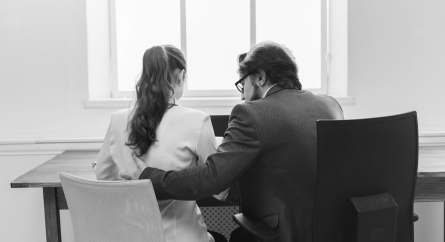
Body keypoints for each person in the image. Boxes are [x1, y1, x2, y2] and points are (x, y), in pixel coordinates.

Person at [126, 41, 344, 242]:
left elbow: (213, 179)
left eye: (243, 84)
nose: (243, 96)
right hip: (331, 231)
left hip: (281, 233)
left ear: (260, 77)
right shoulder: (329, 105)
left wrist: (148, 177)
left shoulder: (253, 113)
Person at [94, 45, 227, 242]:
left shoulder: (118, 120)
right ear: (180, 76)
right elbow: (220, 192)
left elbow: (102, 176)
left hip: (132, 236)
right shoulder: (198, 121)